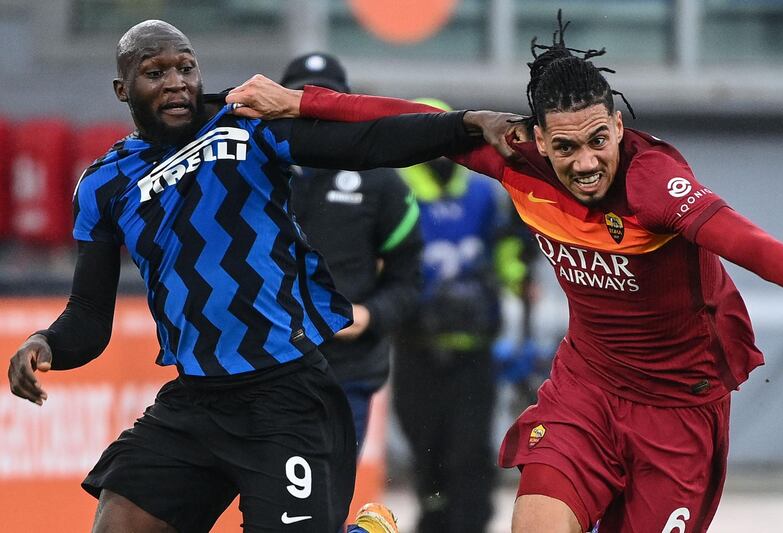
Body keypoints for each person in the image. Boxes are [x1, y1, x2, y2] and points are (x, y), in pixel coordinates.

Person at [222, 11, 783, 533]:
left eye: (600, 141)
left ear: (620, 128)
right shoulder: (514, 160)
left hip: (678, 413)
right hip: (588, 392)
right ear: (539, 140)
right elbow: (416, 119)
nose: (587, 162)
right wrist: (301, 103)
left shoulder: (654, 186)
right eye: (567, 147)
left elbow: (752, 244)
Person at [5, 19, 516, 533]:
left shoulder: (247, 124)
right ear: (123, 90)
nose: (176, 81)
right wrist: (46, 343)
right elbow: (90, 316)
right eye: (154, 72)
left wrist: (465, 124)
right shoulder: (103, 184)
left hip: (286, 399)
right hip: (196, 404)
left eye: (186, 67)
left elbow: (367, 142)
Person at [390, 97, 530, 533]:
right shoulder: (394, 191)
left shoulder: (483, 192)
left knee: (470, 454)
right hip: (417, 349)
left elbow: (506, 255)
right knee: (426, 452)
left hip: (473, 350)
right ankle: (434, 517)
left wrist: (519, 277)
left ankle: (468, 523)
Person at [280, 52, 423, 454]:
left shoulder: (381, 181)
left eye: (324, 99)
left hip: (347, 370)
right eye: (300, 100)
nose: (312, 111)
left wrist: (370, 314)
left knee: (325, 496)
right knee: (273, 506)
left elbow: (408, 280)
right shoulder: (252, 169)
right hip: (265, 366)